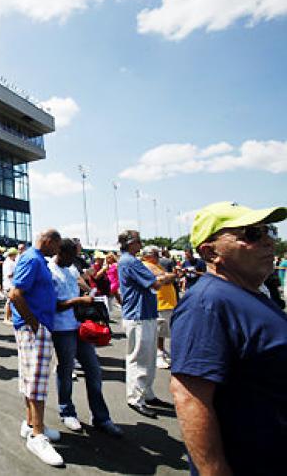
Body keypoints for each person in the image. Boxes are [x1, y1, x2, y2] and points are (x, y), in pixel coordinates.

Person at [170, 201, 287, 476]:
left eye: (268, 230)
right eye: (252, 234)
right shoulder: (207, 303)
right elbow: (189, 397)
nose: (269, 241)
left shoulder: (251, 294)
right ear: (211, 252)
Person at [49, 239, 123, 438]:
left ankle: (100, 417)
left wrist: (88, 291)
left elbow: (80, 282)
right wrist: (78, 300)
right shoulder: (49, 271)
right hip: (62, 328)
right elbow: (51, 305)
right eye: (72, 256)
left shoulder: (71, 267)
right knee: (66, 369)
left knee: (94, 370)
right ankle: (67, 411)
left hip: (79, 325)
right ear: (61, 253)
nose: (75, 259)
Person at [9, 229, 63, 467]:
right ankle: (37, 435)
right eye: (57, 246)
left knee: (32, 380)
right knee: (37, 382)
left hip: (36, 327)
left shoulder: (37, 259)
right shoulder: (32, 258)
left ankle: (32, 424)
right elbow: (15, 294)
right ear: (49, 242)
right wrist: (33, 322)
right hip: (34, 329)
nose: (58, 251)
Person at [117, 230, 175, 419]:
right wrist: (170, 276)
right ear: (131, 242)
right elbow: (155, 284)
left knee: (148, 359)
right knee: (140, 359)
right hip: (138, 315)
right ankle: (136, 398)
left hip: (144, 314)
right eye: (138, 241)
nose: (141, 244)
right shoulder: (131, 261)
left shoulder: (130, 260)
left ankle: (146, 393)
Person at [140, 246, 177, 369]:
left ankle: (161, 351)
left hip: (166, 303)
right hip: (159, 303)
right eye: (155, 254)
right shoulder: (146, 265)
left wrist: (169, 276)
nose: (158, 257)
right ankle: (158, 354)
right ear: (147, 255)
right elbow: (165, 278)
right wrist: (168, 276)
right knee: (158, 331)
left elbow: (169, 277)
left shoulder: (157, 265)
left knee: (162, 331)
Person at [2, 247, 18, 323]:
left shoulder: (11, 262)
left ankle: (9, 318)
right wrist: (18, 273)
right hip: (9, 284)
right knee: (9, 302)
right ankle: (6, 318)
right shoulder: (9, 263)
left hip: (10, 284)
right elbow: (9, 275)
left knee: (11, 302)